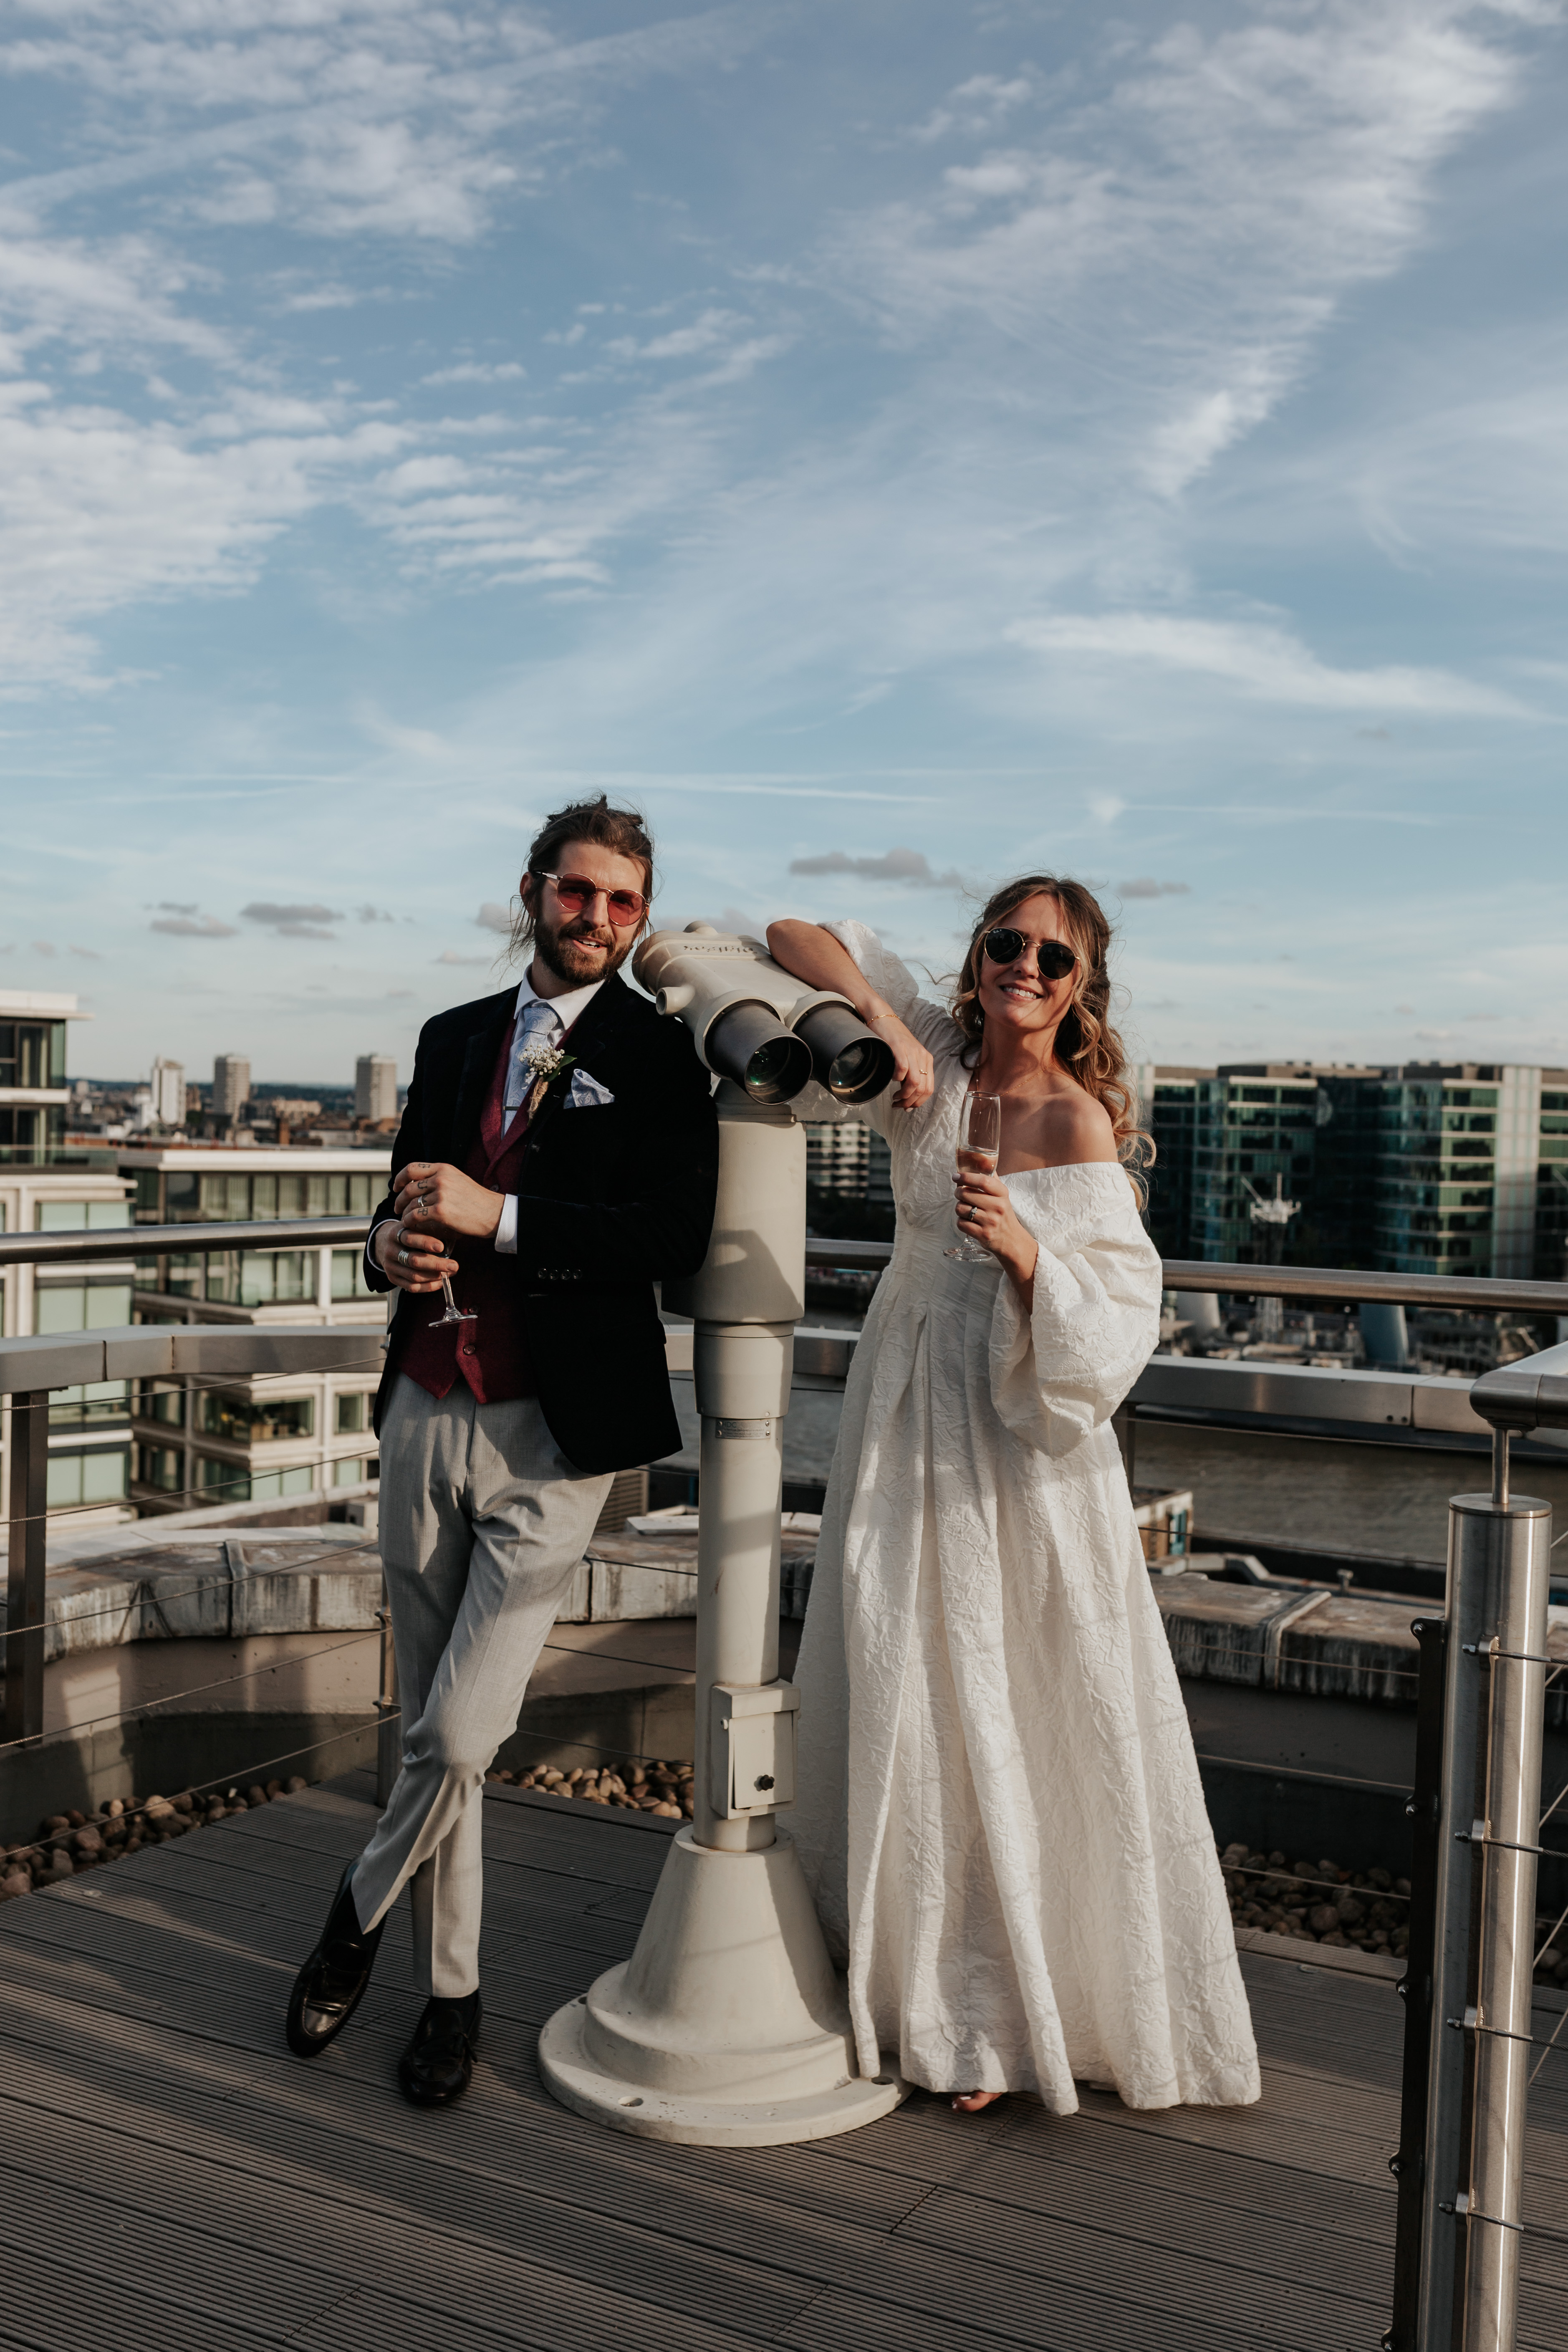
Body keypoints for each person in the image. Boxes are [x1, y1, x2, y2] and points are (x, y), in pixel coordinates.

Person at [767, 879, 1259, 2116]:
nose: (1025, 965)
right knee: (899, 1668)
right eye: (1007, 941)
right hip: (898, 1402)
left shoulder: (1074, 1118)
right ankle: (903, 1967)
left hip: (1009, 1445)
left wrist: (1026, 1251)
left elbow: (1125, 1322)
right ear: (979, 954)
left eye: (1053, 955)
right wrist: (883, 1019)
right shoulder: (930, 1049)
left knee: (1000, 1690)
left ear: (1082, 985)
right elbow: (791, 933)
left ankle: (995, 2008)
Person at [285, 798, 718, 2107]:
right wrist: (385, 1246)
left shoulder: (662, 1057)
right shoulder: (453, 1034)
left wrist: (505, 1214)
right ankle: (454, 1993)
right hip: (425, 1401)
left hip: (555, 1429)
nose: (598, 918)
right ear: (534, 890)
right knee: (432, 1725)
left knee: (465, 1729)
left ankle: (352, 1917)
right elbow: (407, 1190)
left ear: (642, 914)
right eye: (578, 891)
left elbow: (670, 1237)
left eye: (623, 901)